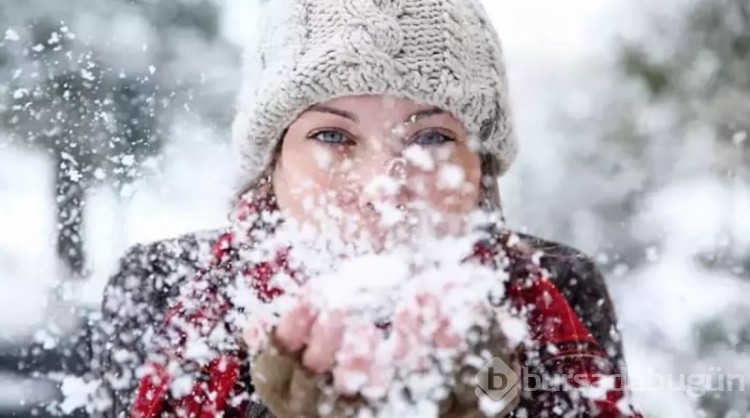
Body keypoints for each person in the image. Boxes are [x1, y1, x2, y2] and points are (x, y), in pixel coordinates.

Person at [90, 1, 644, 417]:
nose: (384, 183)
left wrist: (492, 402)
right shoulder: (161, 286)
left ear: (480, 169)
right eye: (333, 135)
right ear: (274, 160)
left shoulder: (561, 288)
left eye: (429, 138)